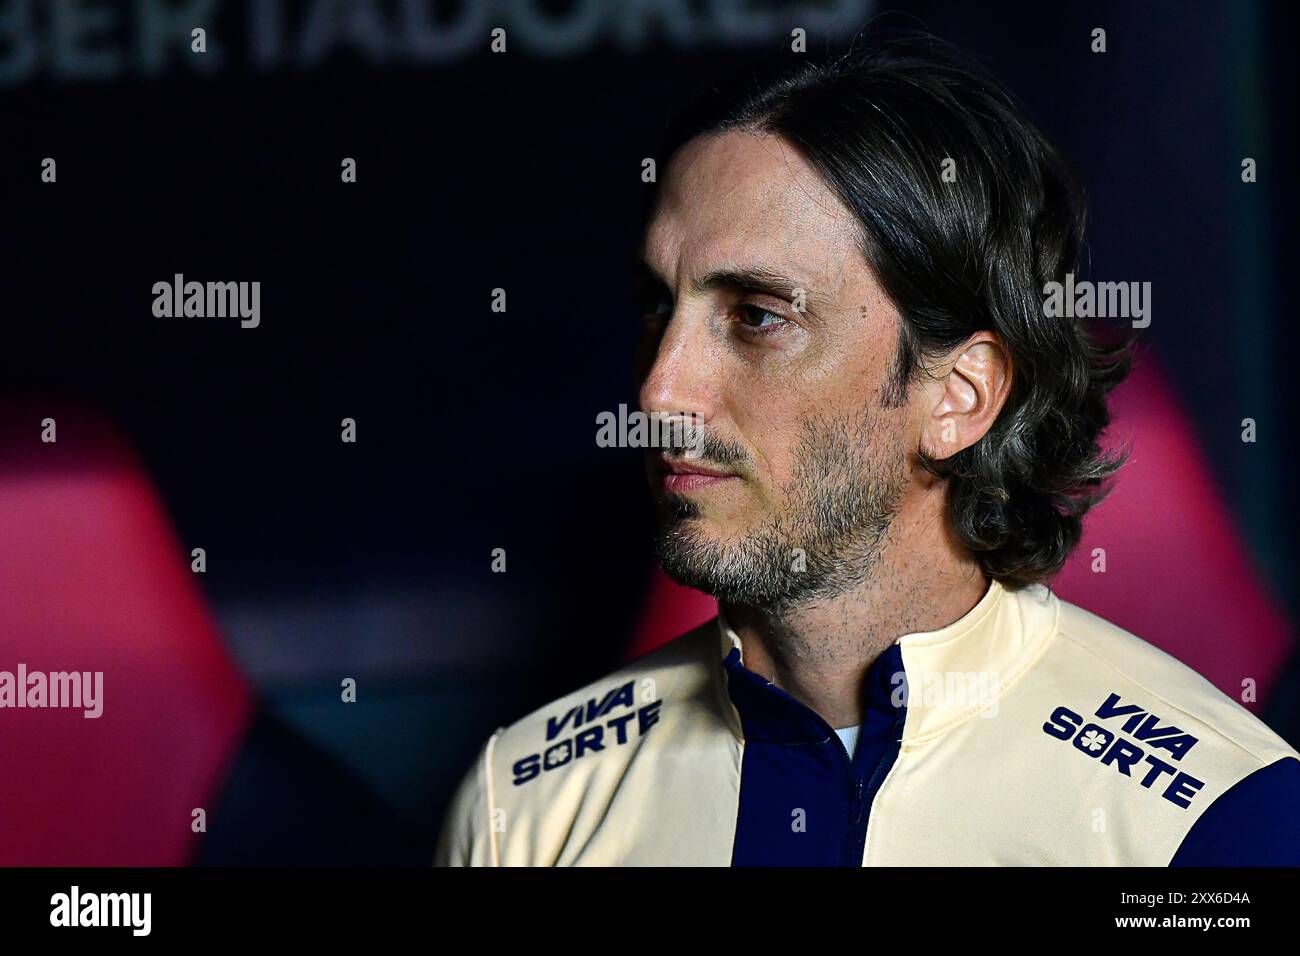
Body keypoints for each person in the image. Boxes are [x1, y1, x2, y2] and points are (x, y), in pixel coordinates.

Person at [434, 35, 1300, 866]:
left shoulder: (1212, 816)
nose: (661, 392)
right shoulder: (525, 801)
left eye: (758, 316)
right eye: (660, 307)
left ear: (960, 397)